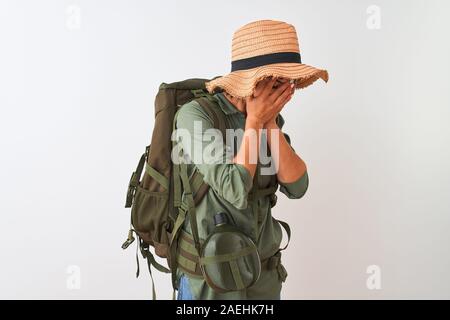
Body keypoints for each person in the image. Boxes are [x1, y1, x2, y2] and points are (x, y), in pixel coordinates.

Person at [175, 19, 328, 300]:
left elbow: (298, 186)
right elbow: (233, 188)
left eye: (289, 80)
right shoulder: (195, 116)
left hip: (263, 279)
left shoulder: (268, 120)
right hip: (209, 281)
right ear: (256, 79)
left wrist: (268, 122)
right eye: (280, 79)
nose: (287, 88)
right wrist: (255, 121)